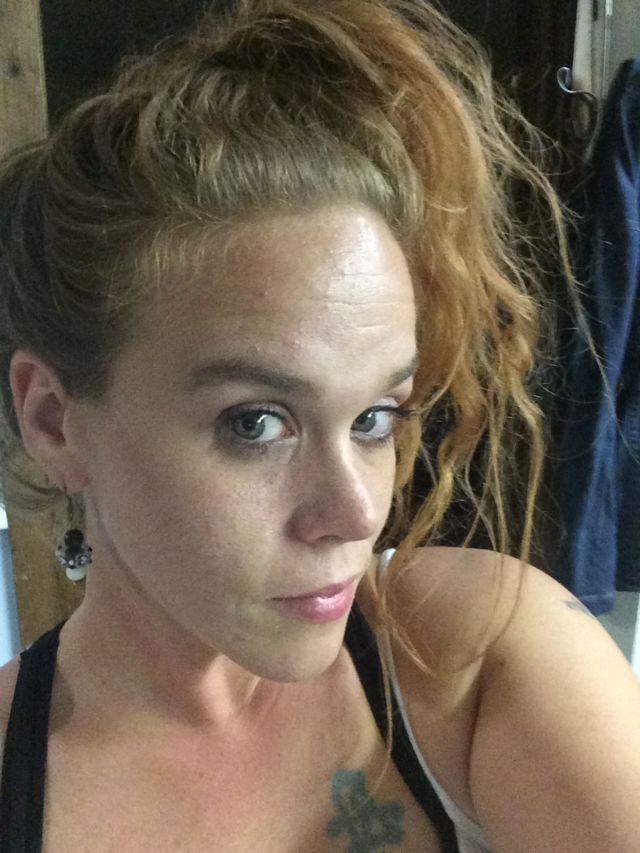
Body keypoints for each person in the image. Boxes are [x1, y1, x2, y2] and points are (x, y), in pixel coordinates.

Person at [0, 1, 638, 851]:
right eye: (256, 423)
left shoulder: (471, 660)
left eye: (374, 417)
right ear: (54, 420)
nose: (358, 512)